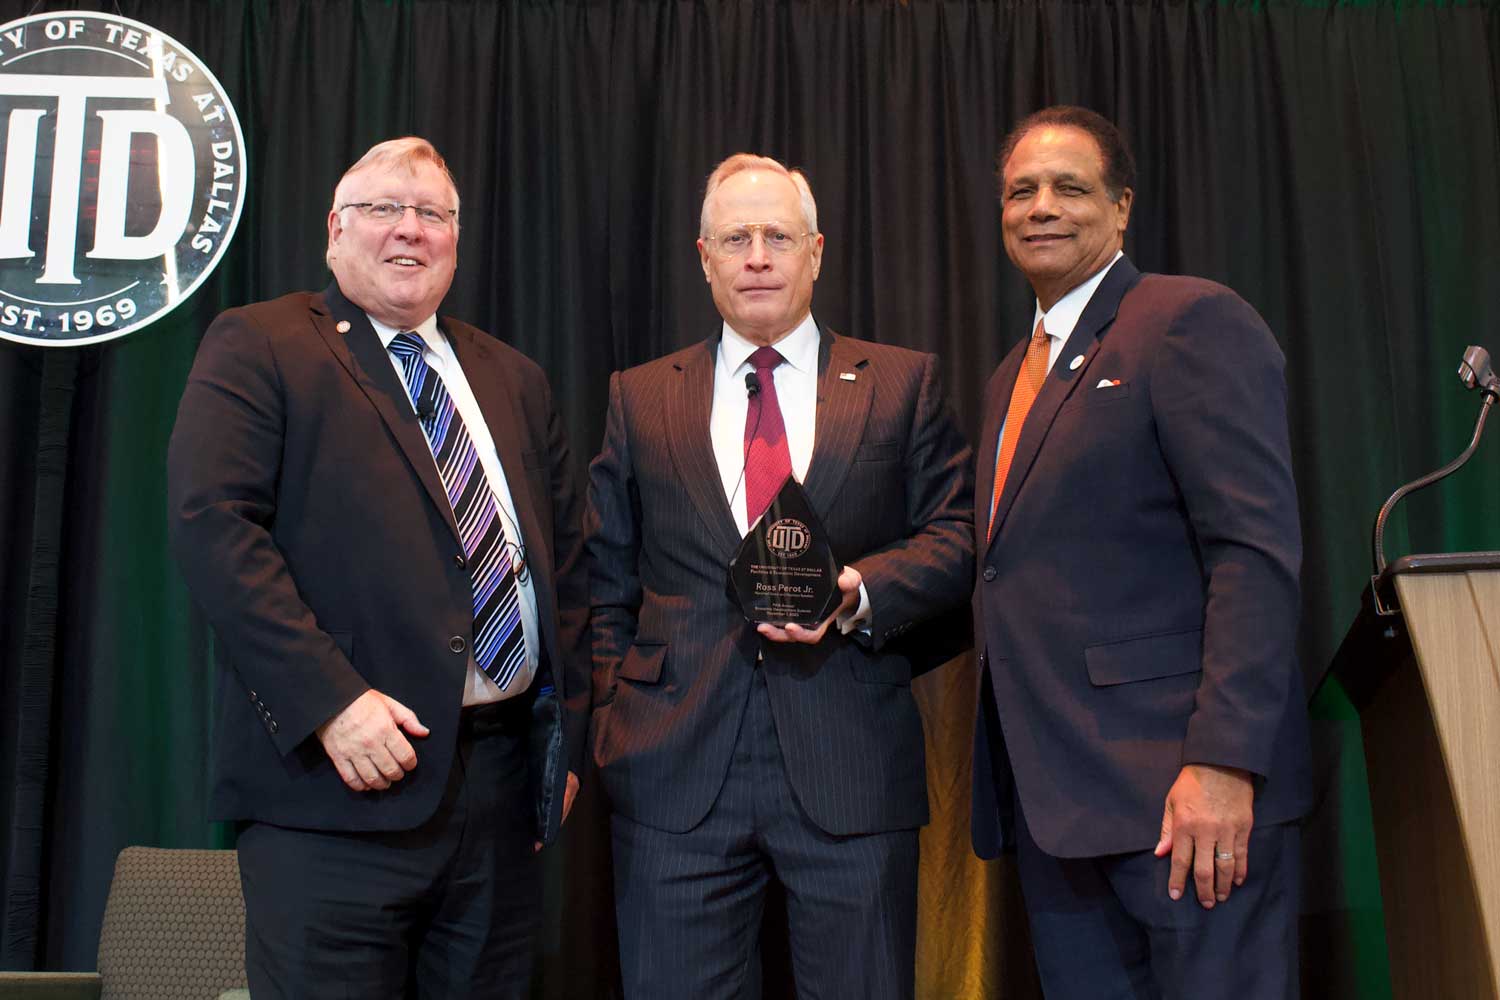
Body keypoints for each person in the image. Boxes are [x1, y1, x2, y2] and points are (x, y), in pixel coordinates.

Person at [167, 137, 587, 999]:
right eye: (384, 209)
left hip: (503, 798)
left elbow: (568, 567)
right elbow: (215, 529)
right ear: (335, 229)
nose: (410, 230)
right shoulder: (262, 342)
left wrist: (566, 741)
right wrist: (331, 703)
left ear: (457, 237)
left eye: (432, 213)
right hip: (337, 789)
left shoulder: (515, 378)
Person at [586, 152, 973, 999]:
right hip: (672, 769)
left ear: (817, 251)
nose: (757, 255)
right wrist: (616, 715)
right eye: (736, 238)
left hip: (849, 761)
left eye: (777, 236)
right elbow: (603, 577)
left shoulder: (901, 384)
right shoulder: (640, 395)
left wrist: (861, 591)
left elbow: (957, 537)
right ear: (703, 256)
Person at [971, 105, 1312, 998]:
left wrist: (1225, 761)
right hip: (1061, 816)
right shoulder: (1013, 373)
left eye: (1069, 187)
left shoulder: (1188, 320)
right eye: (1021, 190)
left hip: (1184, 805)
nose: (1041, 205)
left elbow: (1253, 550)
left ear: (1121, 209)